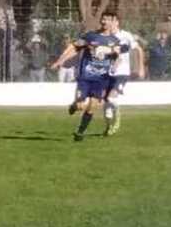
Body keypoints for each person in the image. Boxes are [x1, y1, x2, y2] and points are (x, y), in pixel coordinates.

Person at [49, 12, 123, 141]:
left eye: (108, 20)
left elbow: (117, 55)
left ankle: (80, 132)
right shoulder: (90, 36)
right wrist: (60, 61)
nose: (104, 22)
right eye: (103, 19)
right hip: (85, 77)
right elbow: (74, 47)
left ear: (112, 22)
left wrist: (115, 60)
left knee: (92, 107)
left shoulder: (114, 41)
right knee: (80, 105)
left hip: (101, 79)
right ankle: (74, 105)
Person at [103, 15, 145, 136]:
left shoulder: (125, 35)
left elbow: (139, 49)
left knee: (111, 98)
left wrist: (141, 67)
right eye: (107, 20)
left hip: (122, 73)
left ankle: (118, 116)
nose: (108, 23)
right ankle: (108, 127)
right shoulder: (104, 37)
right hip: (107, 73)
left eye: (111, 20)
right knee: (107, 107)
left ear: (117, 22)